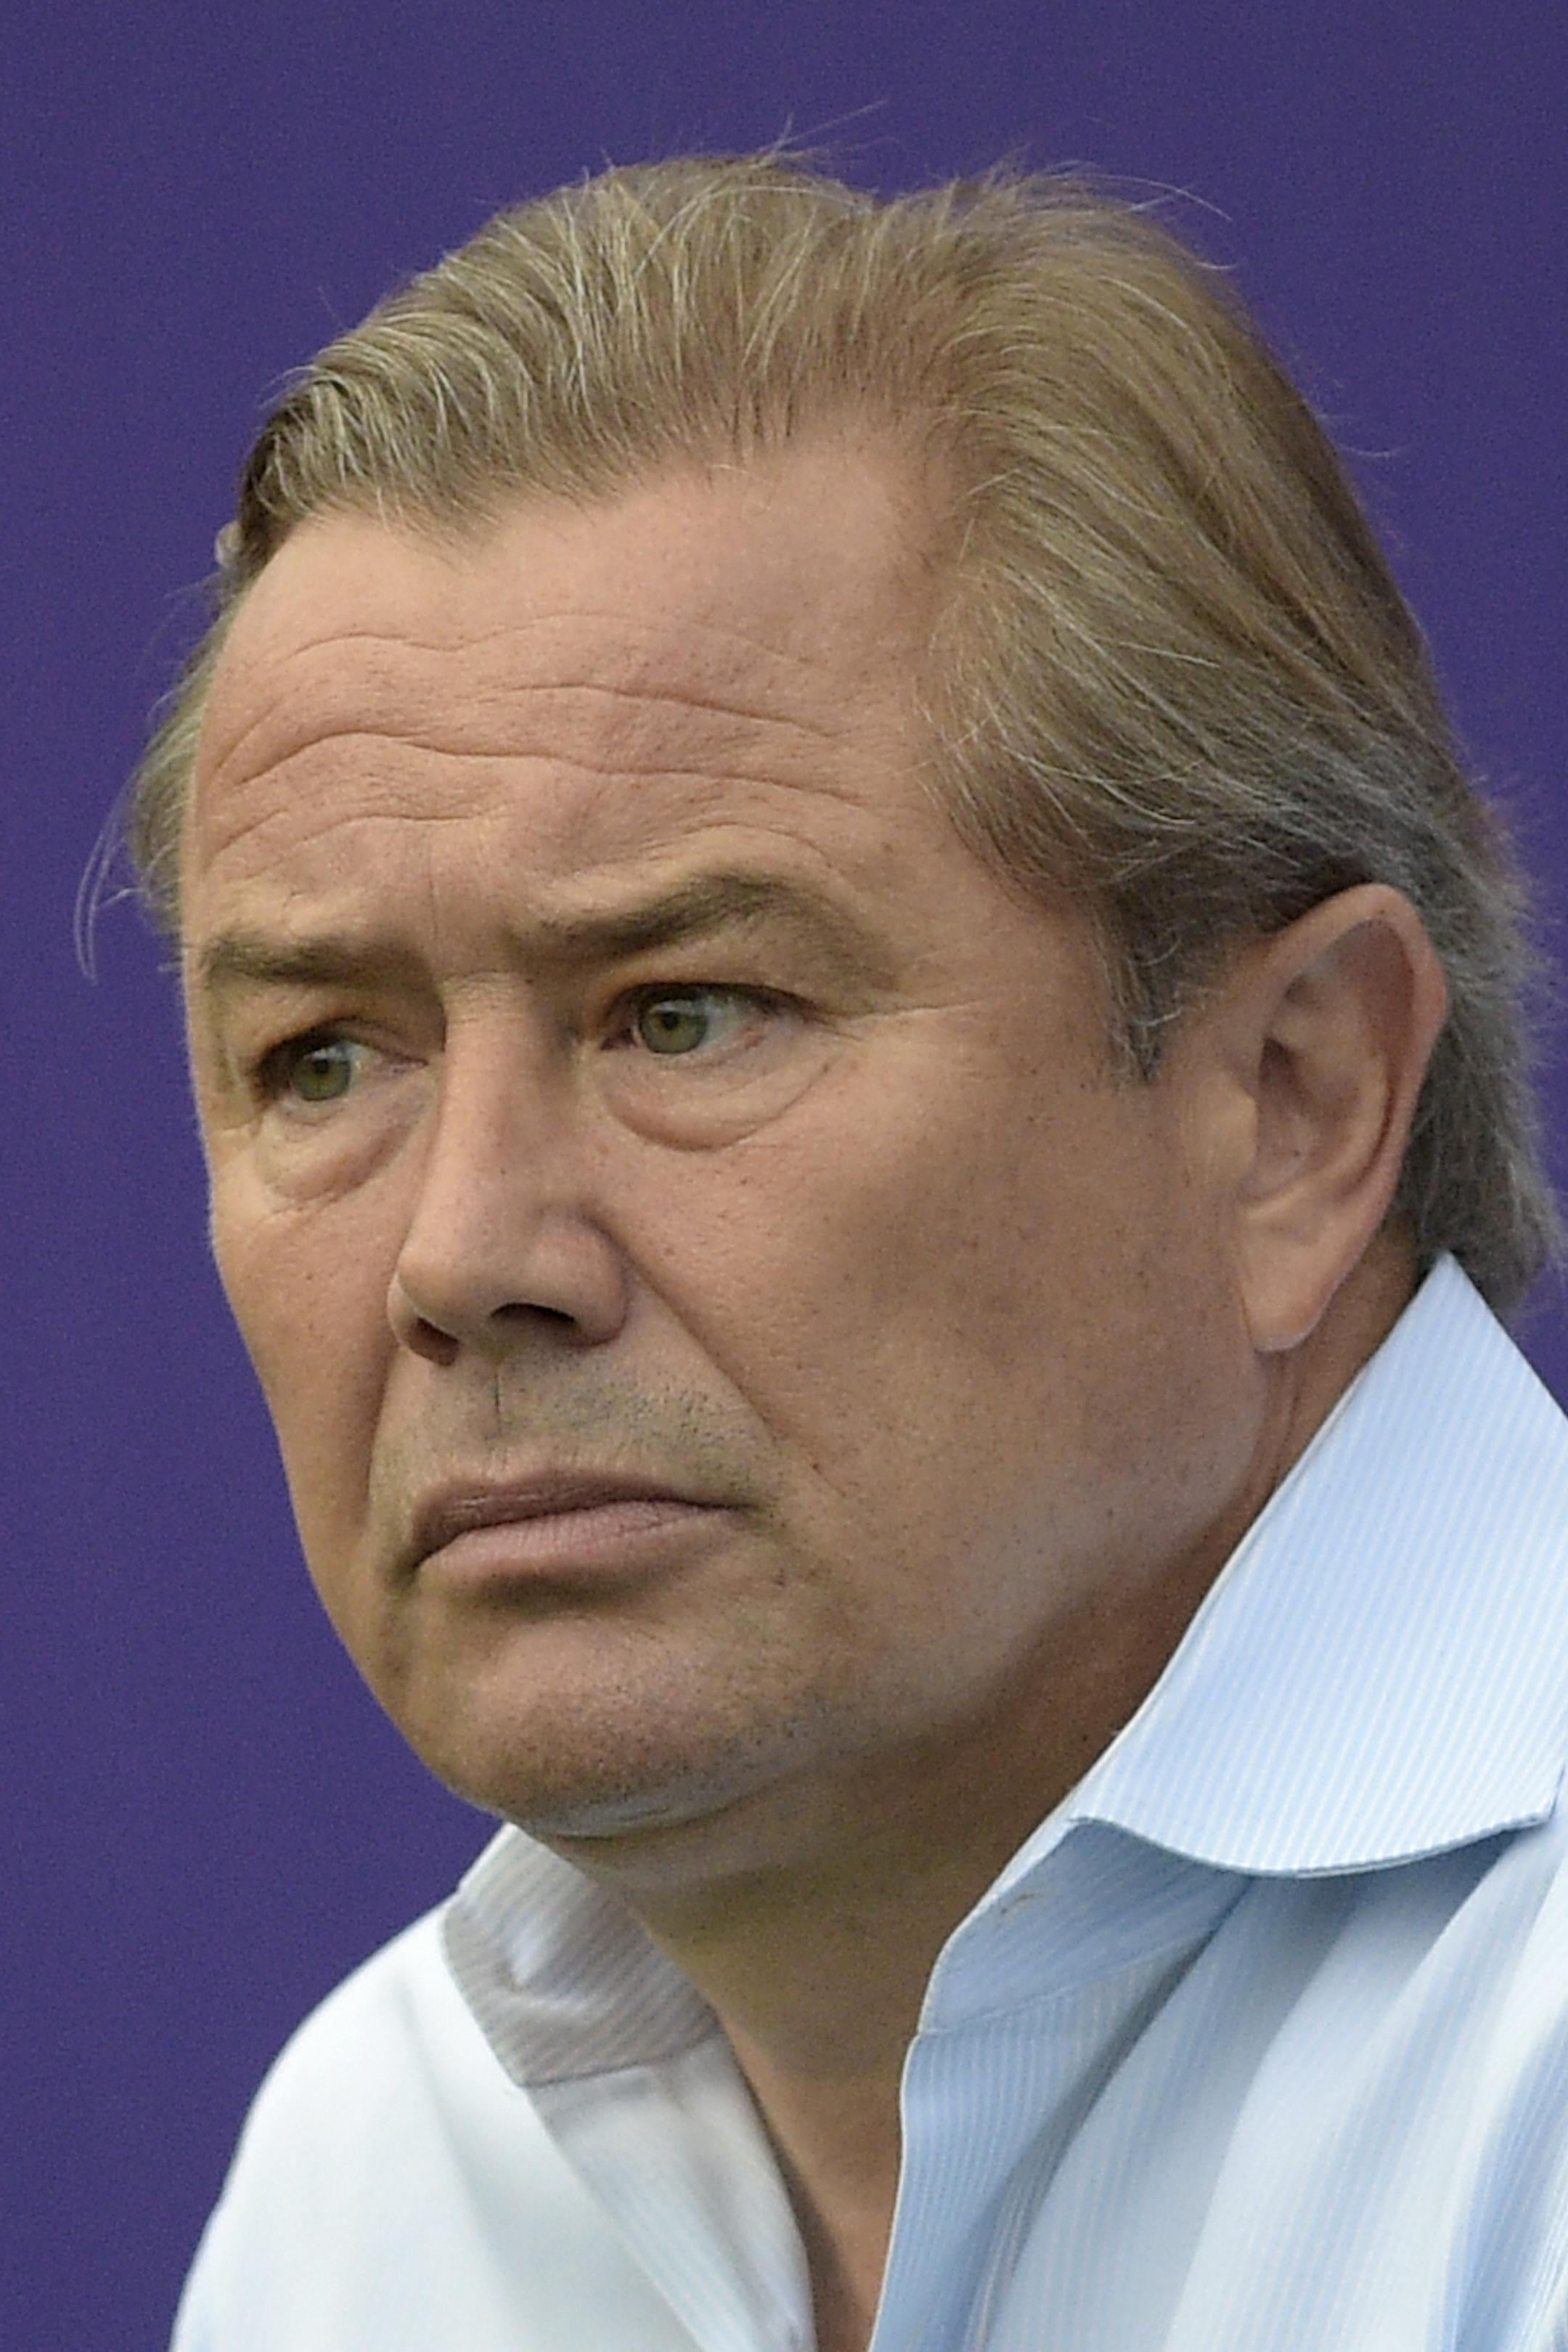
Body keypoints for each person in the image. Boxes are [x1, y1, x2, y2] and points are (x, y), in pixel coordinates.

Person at [138, 155, 1568, 2352]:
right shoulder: (384, 2183)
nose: (463, 1256)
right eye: (324, 1060)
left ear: (1297, 1104)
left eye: (686, 1014)